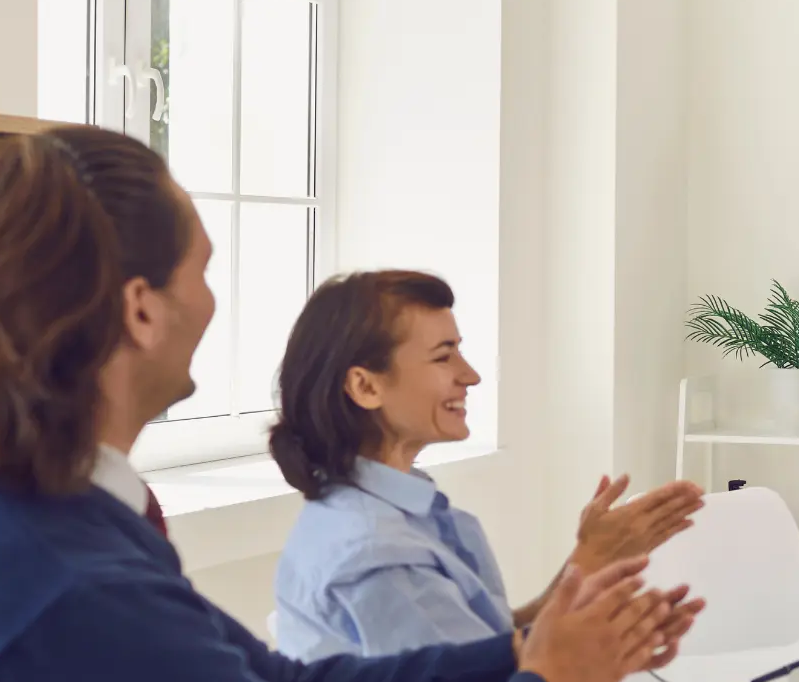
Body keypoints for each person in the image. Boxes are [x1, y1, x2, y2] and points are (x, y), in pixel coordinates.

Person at [0, 127, 691, 682]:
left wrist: (524, 655)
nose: (214, 300)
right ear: (141, 308)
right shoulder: (64, 594)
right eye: (203, 271)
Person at [269, 269, 706, 660]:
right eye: (443, 357)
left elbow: (490, 646)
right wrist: (603, 627)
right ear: (365, 386)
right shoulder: (375, 555)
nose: (470, 375)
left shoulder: (400, 511)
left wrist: (589, 565)